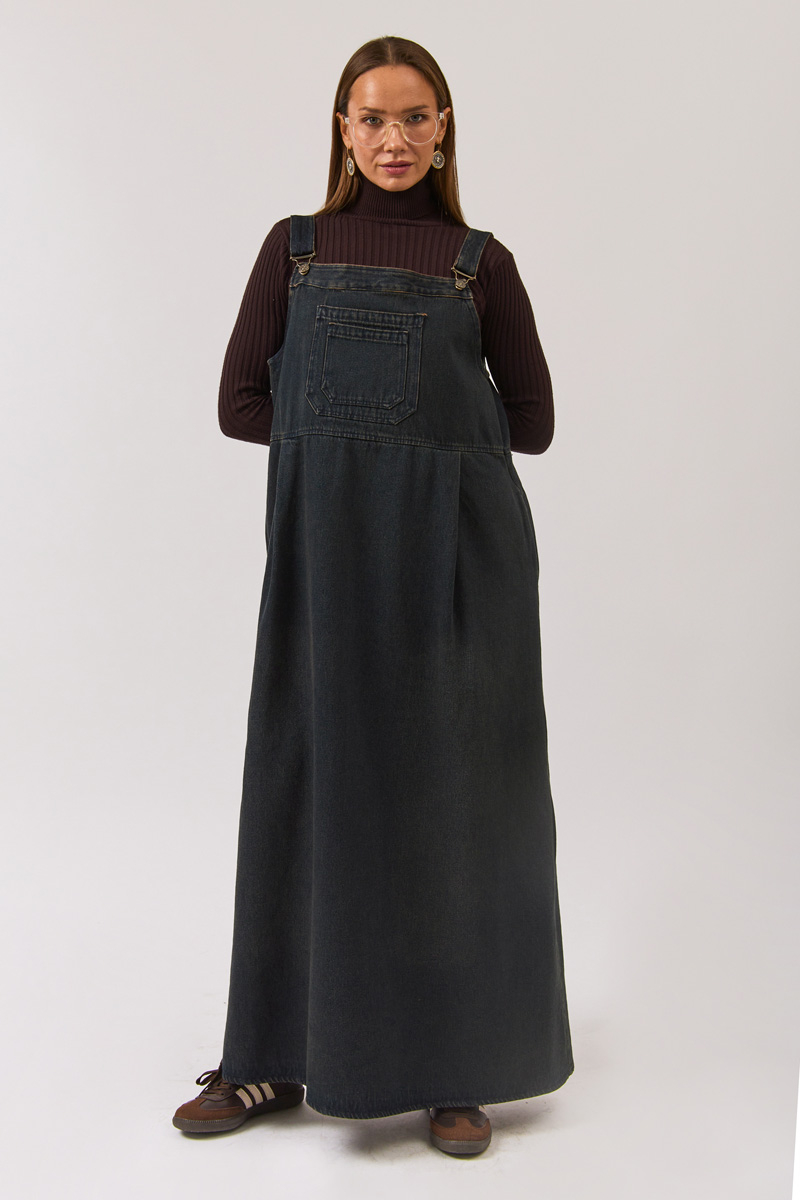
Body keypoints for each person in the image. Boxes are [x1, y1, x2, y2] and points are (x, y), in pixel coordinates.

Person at [172, 35, 574, 1157]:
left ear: (443, 130)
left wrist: (415, 460)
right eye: (371, 118)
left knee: (460, 802)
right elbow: (240, 403)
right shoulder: (294, 251)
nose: (393, 138)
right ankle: (270, 1057)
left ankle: (457, 1065)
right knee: (303, 782)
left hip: (458, 570)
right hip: (326, 560)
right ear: (342, 132)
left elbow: (533, 423)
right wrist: (344, 452)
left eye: (414, 117)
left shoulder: (478, 264)